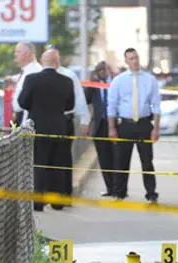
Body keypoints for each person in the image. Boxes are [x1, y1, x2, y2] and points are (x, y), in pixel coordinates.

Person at [17, 49, 75, 212]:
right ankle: (57, 201)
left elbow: (22, 102)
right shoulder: (66, 81)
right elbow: (69, 106)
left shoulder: (32, 79)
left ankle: (38, 201)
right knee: (58, 165)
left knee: (39, 164)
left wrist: (36, 106)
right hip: (59, 128)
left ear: (42, 62)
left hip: (38, 127)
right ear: (57, 63)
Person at [107, 48, 161, 203]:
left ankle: (151, 193)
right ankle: (120, 192)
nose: (135, 61)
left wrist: (156, 128)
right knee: (121, 160)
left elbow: (156, 105)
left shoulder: (150, 79)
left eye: (136, 57)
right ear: (126, 61)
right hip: (125, 125)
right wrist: (112, 128)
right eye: (131, 58)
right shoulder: (118, 81)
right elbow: (112, 105)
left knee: (147, 161)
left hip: (144, 124)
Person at [46, 47, 90, 197]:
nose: (54, 60)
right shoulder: (40, 75)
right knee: (48, 158)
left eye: (55, 57)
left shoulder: (69, 75)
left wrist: (84, 119)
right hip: (47, 121)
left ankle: (65, 192)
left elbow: (79, 98)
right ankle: (50, 192)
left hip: (65, 121)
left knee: (64, 157)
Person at [85, 61, 116, 196]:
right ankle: (109, 188)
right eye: (100, 71)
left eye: (104, 70)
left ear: (108, 70)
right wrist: (90, 82)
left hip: (114, 124)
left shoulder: (115, 83)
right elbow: (86, 100)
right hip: (100, 125)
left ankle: (118, 188)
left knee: (116, 157)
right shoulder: (94, 85)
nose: (103, 72)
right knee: (104, 158)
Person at [9, 41, 42, 125]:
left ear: (28, 54)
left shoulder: (35, 71)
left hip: (28, 118)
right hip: (21, 117)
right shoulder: (27, 70)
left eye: (18, 51)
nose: (15, 54)